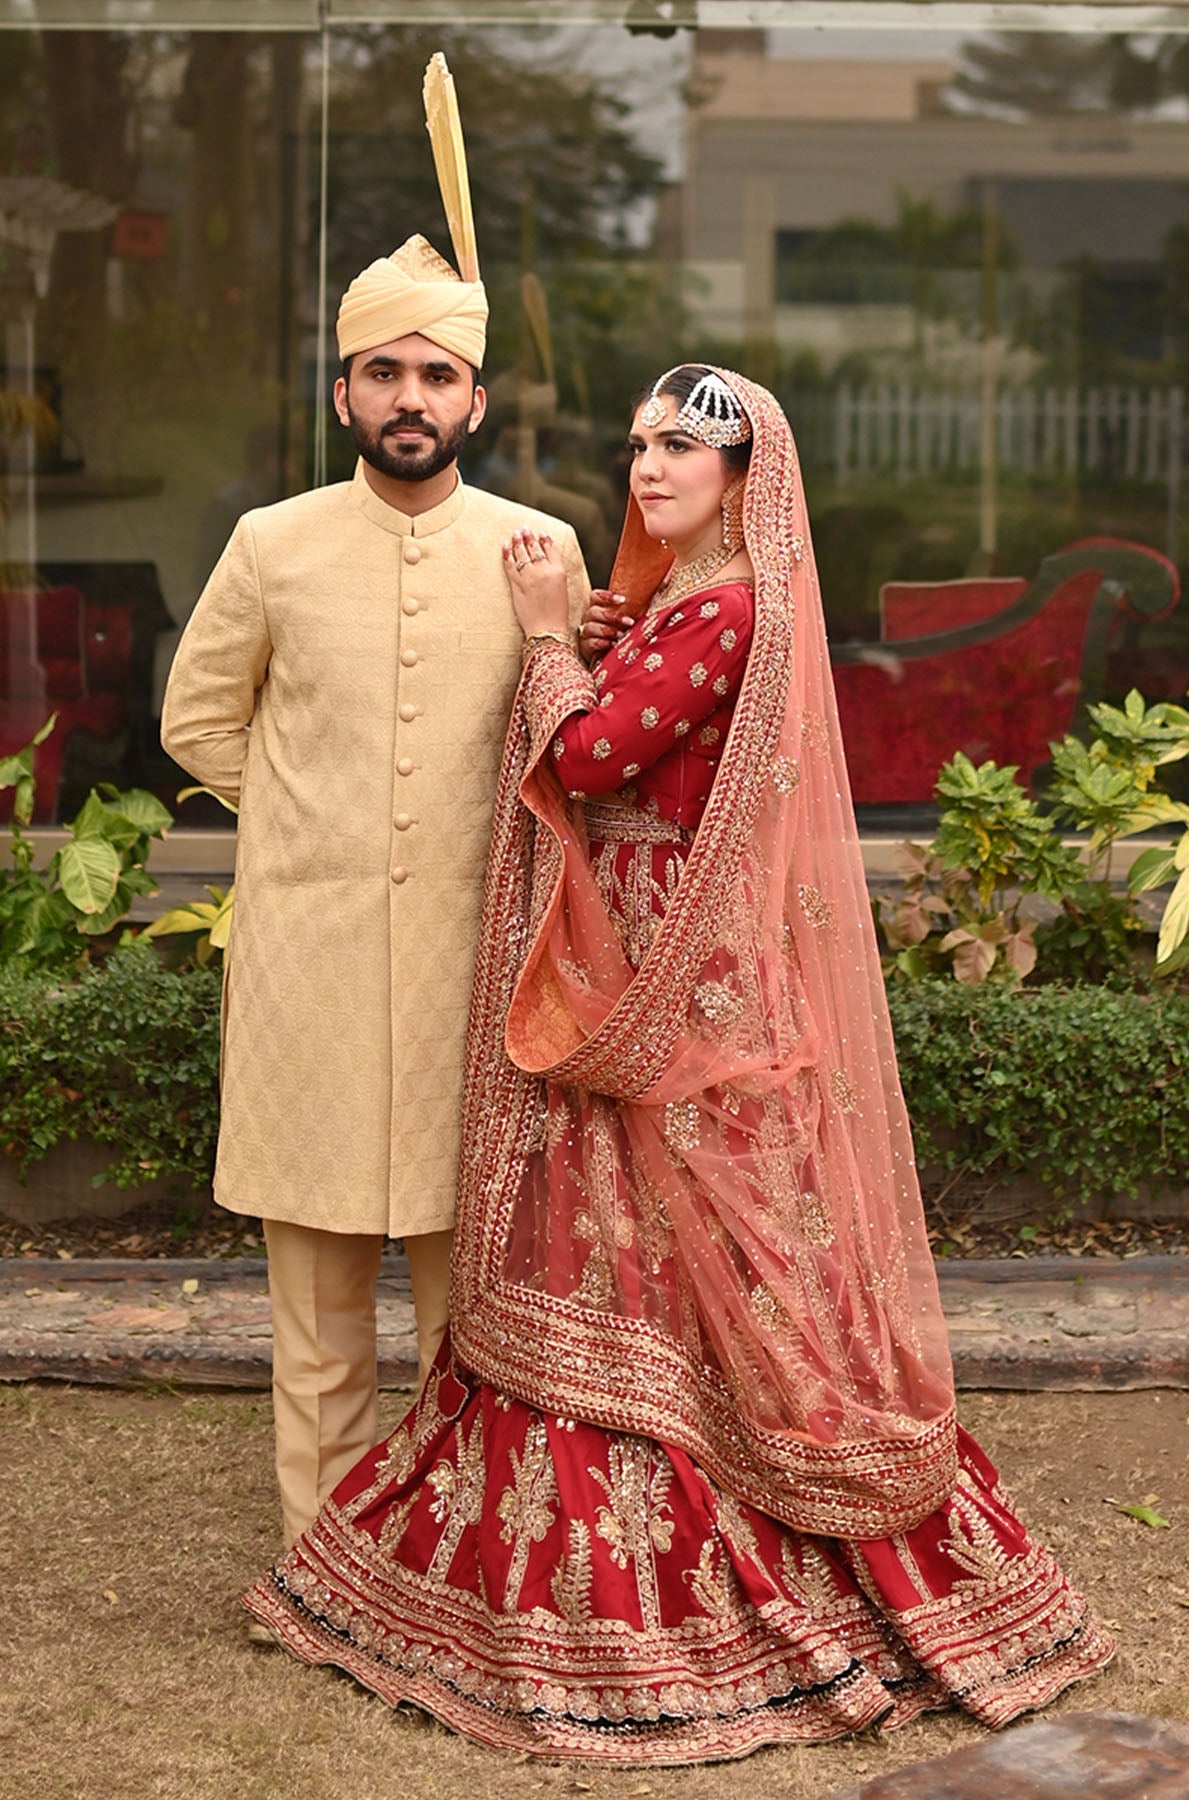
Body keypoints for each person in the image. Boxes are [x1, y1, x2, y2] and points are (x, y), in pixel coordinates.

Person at [243, 364, 1113, 1764]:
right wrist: (595, 634)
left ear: (741, 476)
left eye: (684, 451)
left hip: (654, 1003)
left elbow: (589, 764)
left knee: (683, 1277)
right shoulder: (695, 604)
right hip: (653, 982)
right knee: (668, 1275)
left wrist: (541, 639)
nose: (651, 467)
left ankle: (697, 1598)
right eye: (640, 443)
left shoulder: (723, 608)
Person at [159, 230, 589, 1553]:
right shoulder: (272, 543)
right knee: (322, 1320)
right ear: (343, 395)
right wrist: (312, 820)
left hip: (481, 986)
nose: (412, 398)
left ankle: (458, 1560)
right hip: (313, 974)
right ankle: (325, 1563)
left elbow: (579, 740)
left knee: (482, 1315)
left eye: (438, 376)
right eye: (385, 373)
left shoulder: (541, 549)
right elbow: (197, 722)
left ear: (475, 399)